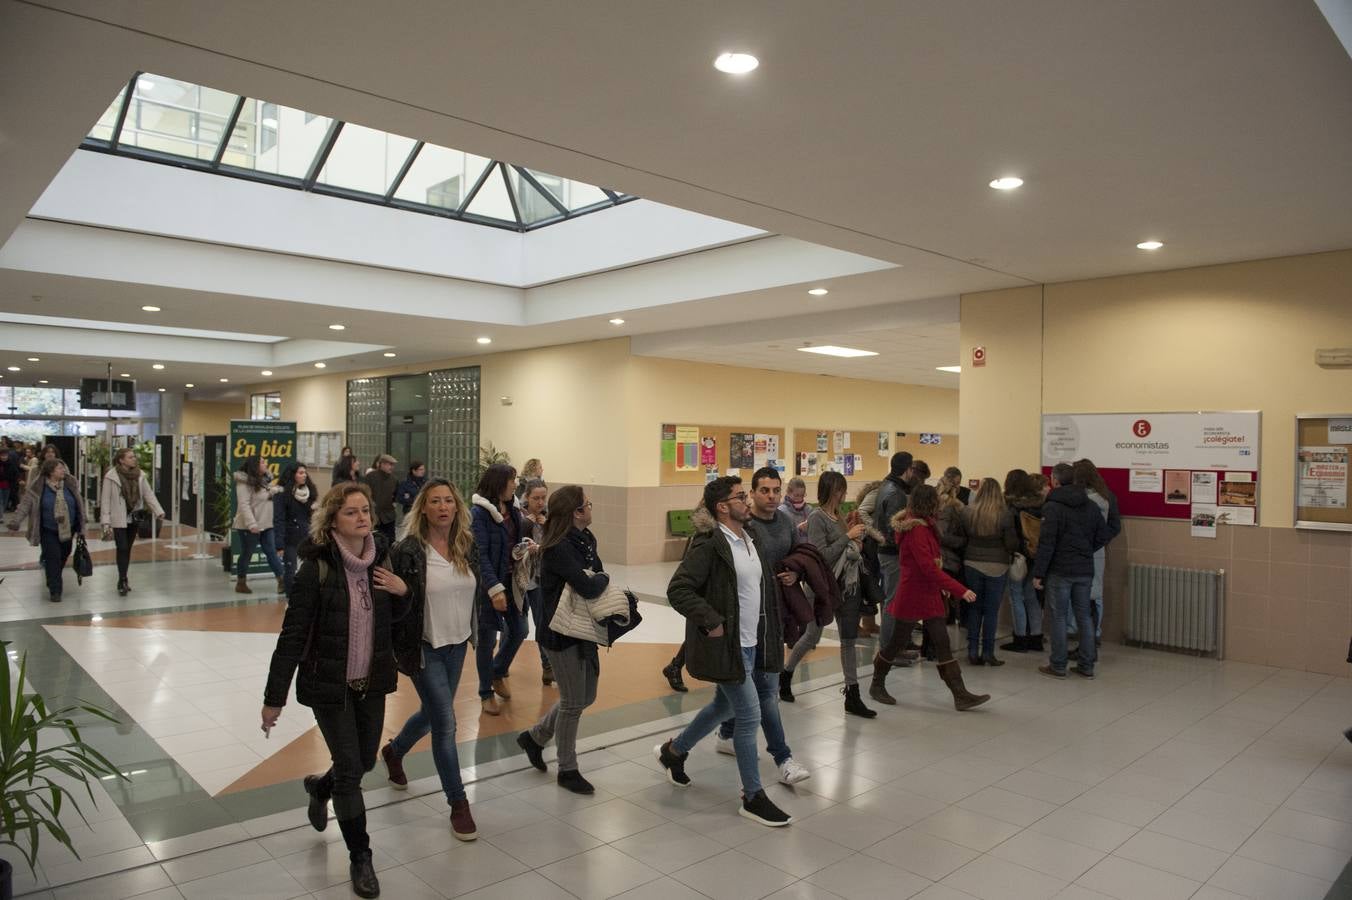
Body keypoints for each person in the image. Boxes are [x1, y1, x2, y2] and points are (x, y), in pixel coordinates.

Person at [261, 482, 408, 899]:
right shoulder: (317, 568)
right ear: (332, 520)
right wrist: (274, 698)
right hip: (329, 686)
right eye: (351, 512)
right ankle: (361, 856)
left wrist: (403, 592)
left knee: (362, 762)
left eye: (365, 510)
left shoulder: (384, 558)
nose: (363, 518)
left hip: (373, 682)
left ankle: (320, 787)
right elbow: (291, 637)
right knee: (350, 771)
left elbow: (397, 621)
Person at [654, 476, 796, 827]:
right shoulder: (710, 544)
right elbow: (679, 589)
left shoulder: (751, 538)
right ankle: (752, 796)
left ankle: (674, 752)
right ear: (722, 507)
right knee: (747, 717)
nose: (747, 501)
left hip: (753, 642)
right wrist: (711, 620)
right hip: (728, 646)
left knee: (723, 706)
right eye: (740, 497)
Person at [383, 479, 481, 839]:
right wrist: (404, 589)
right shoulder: (408, 550)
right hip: (423, 645)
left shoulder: (466, 545)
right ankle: (458, 803)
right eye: (435, 501)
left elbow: (476, 590)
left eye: (448, 501)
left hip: (456, 644)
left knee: (431, 712)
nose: (443, 507)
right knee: (445, 722)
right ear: (423, 508)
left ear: (456, 507)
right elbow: (393, 603)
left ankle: (394, 752)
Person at [516, 485, 610, 794]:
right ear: (577, 512)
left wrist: (598, 577)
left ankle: (535, 737)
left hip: (582, 629)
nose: (591, 508)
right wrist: (600, 578)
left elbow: (595, 574)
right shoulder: (557, 546)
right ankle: (567, 769)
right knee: (573, 702)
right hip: (559, 633)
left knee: (587, 696)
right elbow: (590, 584)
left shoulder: (585, 539)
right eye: (588, 504)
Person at [869, 485, 989, 711]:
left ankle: (960, 694)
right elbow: (928, 568)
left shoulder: (922, 525)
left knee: (942, 642)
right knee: (896, 642)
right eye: (936, 501)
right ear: (929, 504)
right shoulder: (917, 530)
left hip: (926, 591)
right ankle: (877, 684)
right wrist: (959, 589)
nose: (940, 504)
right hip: (914, 593)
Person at [781, 470, 874, 718]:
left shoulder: (838, 516)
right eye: (841, 489)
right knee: (811, 637)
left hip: (846, 587)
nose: (844, 494)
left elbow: (846, 549)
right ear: (833, 491)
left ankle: (852, 695)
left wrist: (856, 542)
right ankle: (786, 674)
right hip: (821, 587)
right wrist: (848, 537)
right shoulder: (817, 517)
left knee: (848, 641)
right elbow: (820, 558)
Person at [1034, 463, 1114, 680]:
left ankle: (1058, 665)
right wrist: (1087, 550)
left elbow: (1046, 543)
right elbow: (1103, 534)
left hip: (1060, 570)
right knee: (1085, 617)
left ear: (1055, 481)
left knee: (1059, 617)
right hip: (1084, 569)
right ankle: (1087, 665)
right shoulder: (1089, 505)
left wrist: (1038, 573)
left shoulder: (1052, 506)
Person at [469, 463, 529, 715]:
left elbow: (512, 541)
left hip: (512, 581)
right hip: (487, 586)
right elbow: (480, 555)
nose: (516, 484)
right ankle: (485, 692)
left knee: (520, 630)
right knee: (486, 640)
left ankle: (497, 671)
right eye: (512, 480)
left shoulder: (513, 509)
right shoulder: (479, 513)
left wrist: (523, 548)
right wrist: (494, 588)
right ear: (498, 482)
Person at [958, 478, 1020, 667]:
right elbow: (1011, 543)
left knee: (974, 608)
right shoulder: (1004, 514)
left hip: (972, 562)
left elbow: (963, 537)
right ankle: (988, 653)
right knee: (991, 611)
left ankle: (971, 651)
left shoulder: (968, 511)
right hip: (997, 565)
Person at [10, 458, 86, 602]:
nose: (63, 471)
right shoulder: (38, 486)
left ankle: (52, 577)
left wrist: (82, 521)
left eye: (63, 468)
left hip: (68, 530)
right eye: (59, 468)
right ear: (51, 472)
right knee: (53, 558)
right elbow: (25, 505)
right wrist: (15, 522)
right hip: (48, 529)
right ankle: (55, 590)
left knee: (64, 554)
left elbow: (78, 502)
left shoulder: (70, 484)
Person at [99, 447, 165, 596]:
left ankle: (123, 577)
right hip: (118, 517)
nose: (134, 459)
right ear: (121, 460)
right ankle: (122, 579)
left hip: (134, 517)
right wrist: (106, 521)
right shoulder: (111, 476)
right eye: (130, 457)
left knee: (127, 548)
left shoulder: (139, 475)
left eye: (134, 457)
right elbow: (105, 500)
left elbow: (148, 494)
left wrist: (158, 510)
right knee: (121, 547)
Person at [1071, 458, 1122, 648]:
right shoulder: (1107, 495)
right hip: (1098, 550)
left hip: (1078, 550)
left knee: (1077, 591)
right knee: (1096, 592)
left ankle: (1080, 632)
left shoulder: (1075, 497)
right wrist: (1100, 541)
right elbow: (1114, 526)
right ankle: (1095, 633)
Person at [871, 451, 914, 651]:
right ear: (907, 470)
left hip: (886, 552)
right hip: (892, 554)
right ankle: (889, 650)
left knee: (893, 600)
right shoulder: (895, 493)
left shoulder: (885, 487)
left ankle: (892, 647)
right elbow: (893, 529)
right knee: (893, 603)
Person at [1001, 470, 1046, 653]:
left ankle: (1020, 638)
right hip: (1036, 555)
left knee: (1016, 597)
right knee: (1031, 597)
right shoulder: (1041, 504)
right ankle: (1036, 637)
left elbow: (1011, 536)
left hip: (1019, 557)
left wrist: (1010, 551)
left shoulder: (1012, 506)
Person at [514, 478, 552, 685]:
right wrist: (527, 524)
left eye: (543, 498)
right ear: (526, 497)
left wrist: (547, 529)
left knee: (542, 623)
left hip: (538, 579)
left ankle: (547, 667)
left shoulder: (547, 518)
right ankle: (500, 665)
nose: (540, 502)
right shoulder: (518, 516)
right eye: (536, 498)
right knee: (517, 628)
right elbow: (515, 547)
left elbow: (553, 546)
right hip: (520, 578)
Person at [233, 456, 285, 594]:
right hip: (249, 526)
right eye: (262, 462)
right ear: (255, 466)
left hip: (266, 524)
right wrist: (252, 524)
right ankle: (241, 582)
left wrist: (274, 491)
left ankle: (282, 581)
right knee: (247, 554)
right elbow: (244, 505)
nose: (265, 463)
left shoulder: (265, 480)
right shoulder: (243, 483)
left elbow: (262, 496)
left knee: (271, 552)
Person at [274, 463, 318, 593]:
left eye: (305, 472)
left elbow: (310, 518)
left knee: (308, 568)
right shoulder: (282, 494)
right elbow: (279, 519)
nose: (304, 475)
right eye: (300, 473)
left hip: (306, 535)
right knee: (291, 569)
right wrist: (279, 544)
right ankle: (291, 597)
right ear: (292, 475)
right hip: (290, 537)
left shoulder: (309, 493)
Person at [853, 479, 887, 636]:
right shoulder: (877, 494)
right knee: (867, 585)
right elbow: (862, 512)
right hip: (869, 545)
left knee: (872, 585)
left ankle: (869, 623)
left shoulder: (878, 493)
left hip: (873, 545)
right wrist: (875, 529)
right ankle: (856, 625)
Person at [363, 454, 399, 545]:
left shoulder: (394, 480)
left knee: (390, 541)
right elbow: (365, 492)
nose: (392, 467)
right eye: (389, 464)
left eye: (393, 465)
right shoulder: (371, 477)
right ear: (381, 464)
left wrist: (394, 502)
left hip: (389, 516)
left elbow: (396, 494)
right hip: (375, 516)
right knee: (375, 542)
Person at [394, 461, 427, 539]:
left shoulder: (426, 482)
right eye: (420, 469)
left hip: (424, 512)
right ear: (414, 471)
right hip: (410, 511)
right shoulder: (405, 484)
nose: (423, 471)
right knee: (412, 533)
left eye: (423, 469)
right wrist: (413, 500)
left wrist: (409, 496)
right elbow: (400, 498)